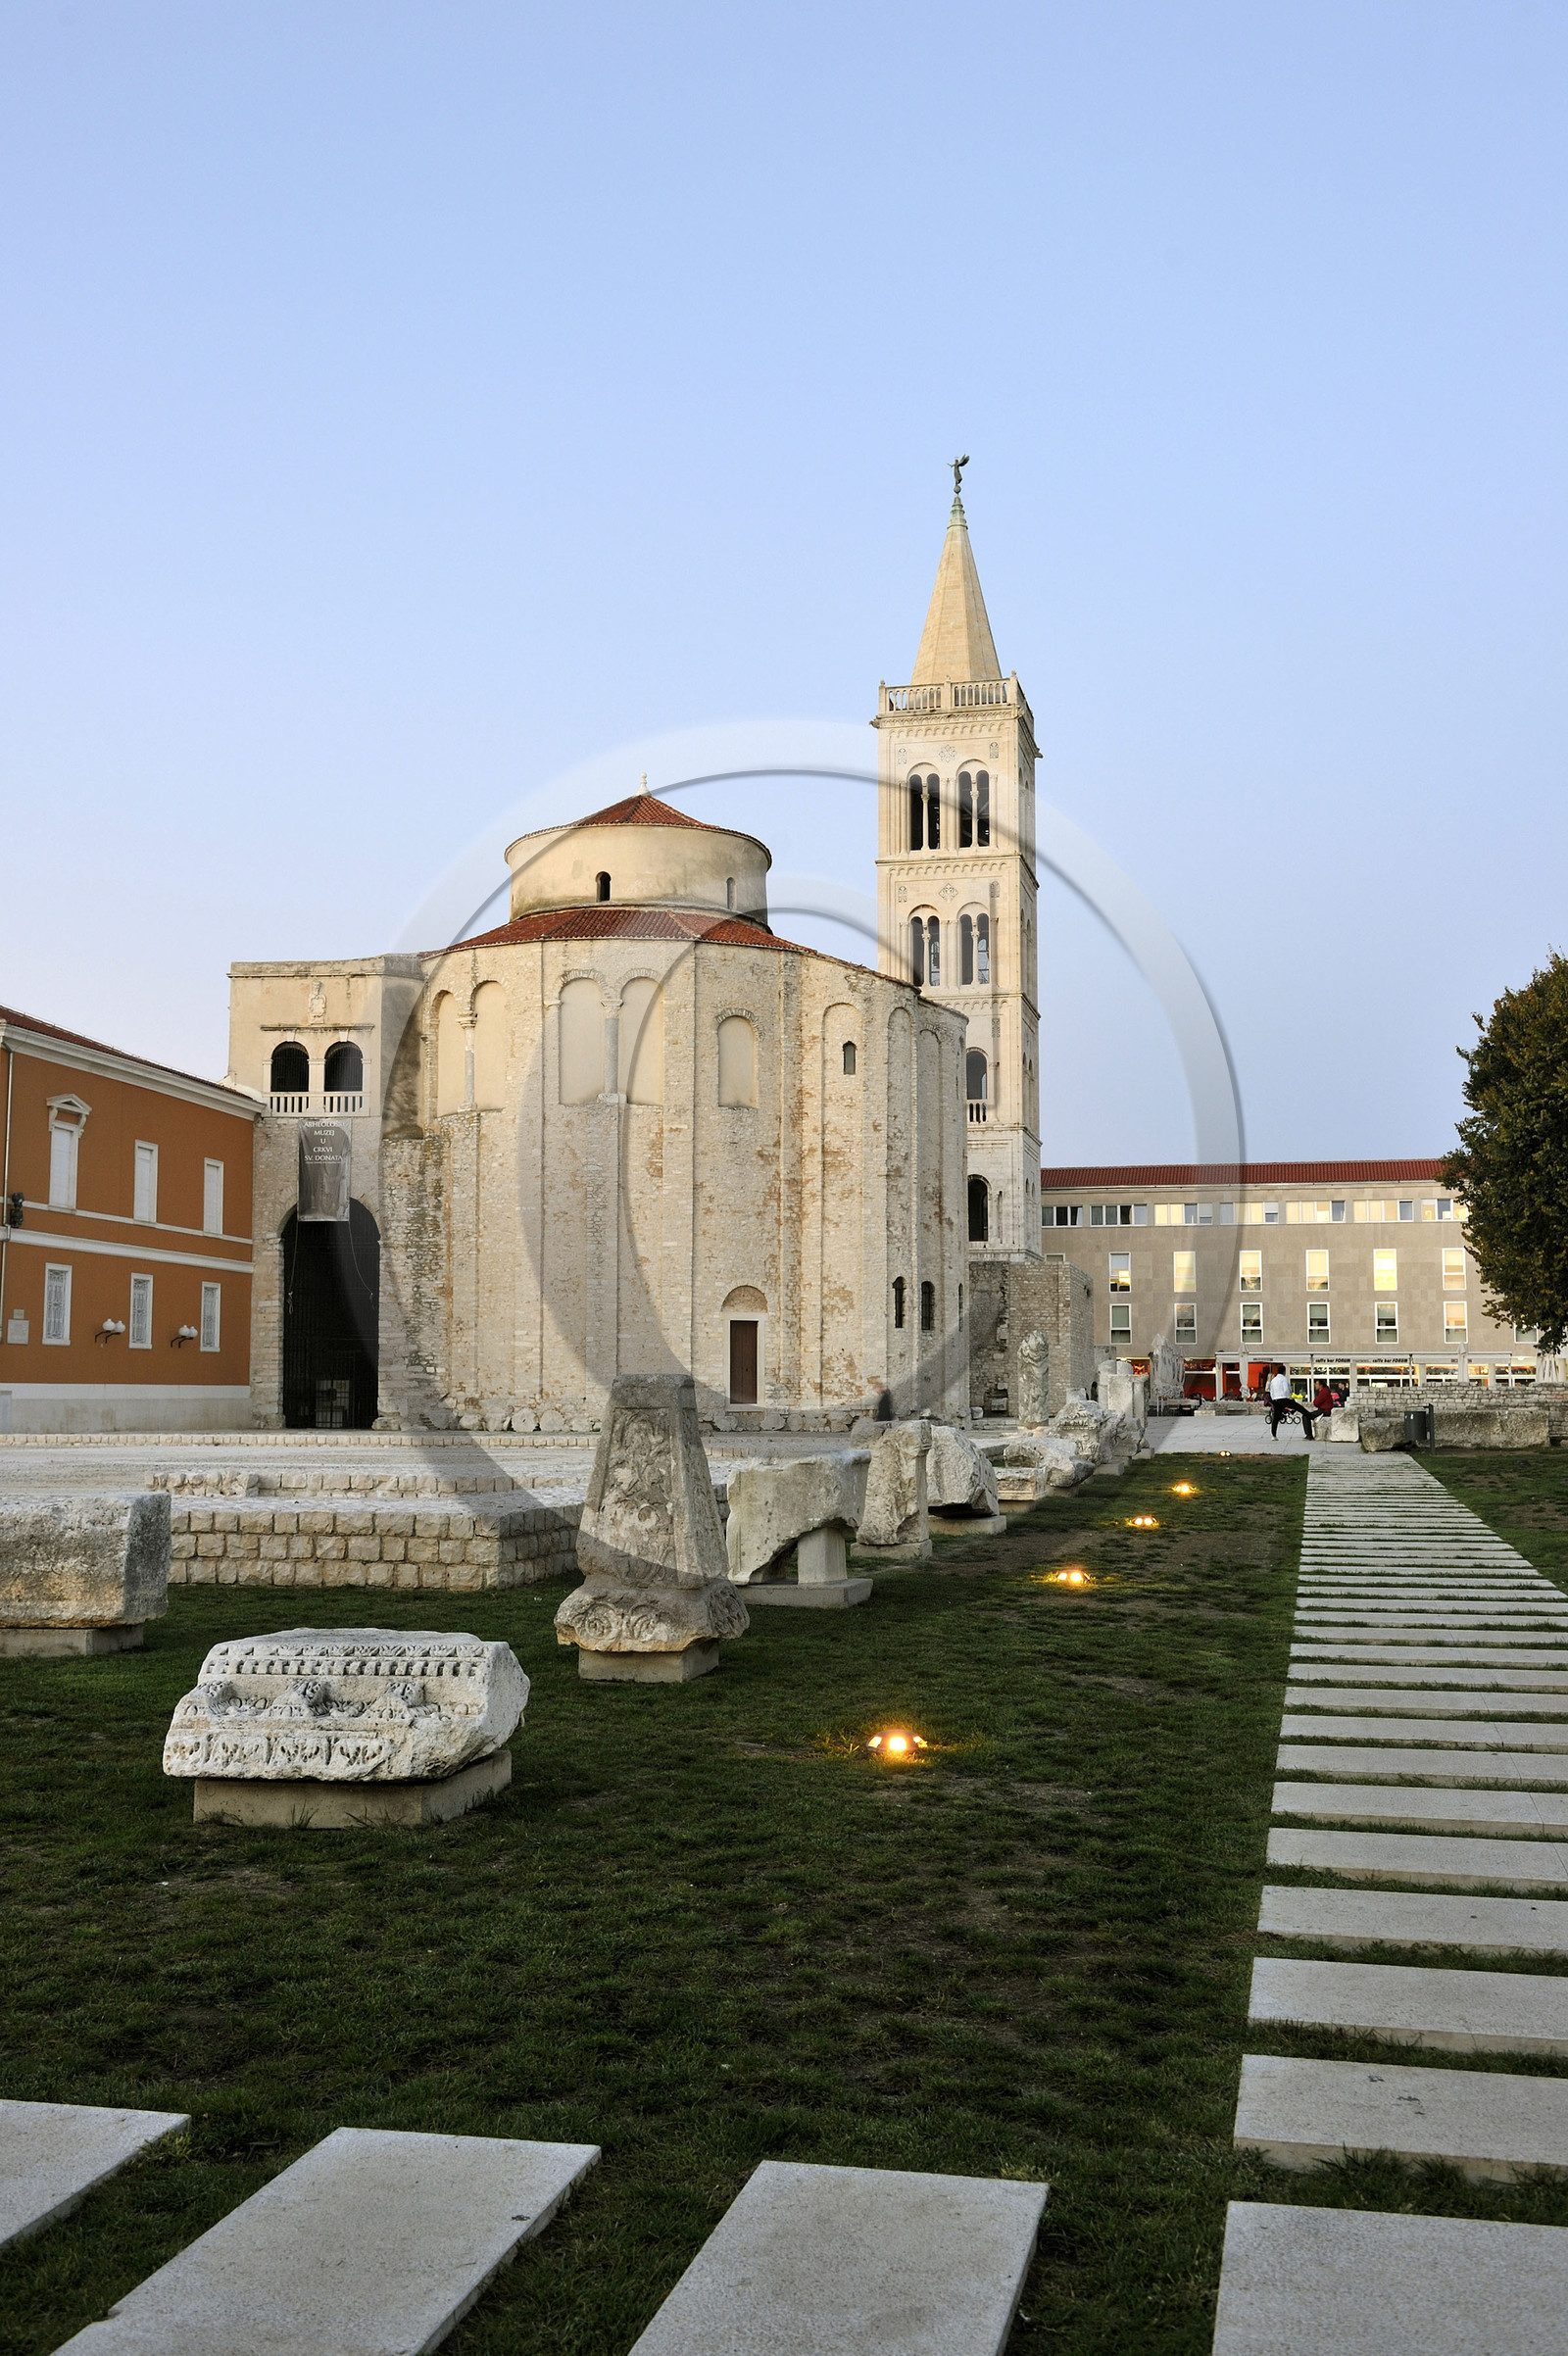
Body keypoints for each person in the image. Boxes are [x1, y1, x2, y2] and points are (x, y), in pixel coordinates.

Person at [1268, 1368, 1317, 1441]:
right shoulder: (1284, 1379)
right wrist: (1289, 1398)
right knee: (1299, 1407)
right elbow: (1286, 1389)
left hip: (1276, 1399)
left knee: (1276, 1418)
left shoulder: (1273, 1380)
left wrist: (1274, 1399)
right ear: (1284, 1371)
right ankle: (1311, 1416)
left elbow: (1271, 1391)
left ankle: (1274, 1435)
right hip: (1284, 1398)